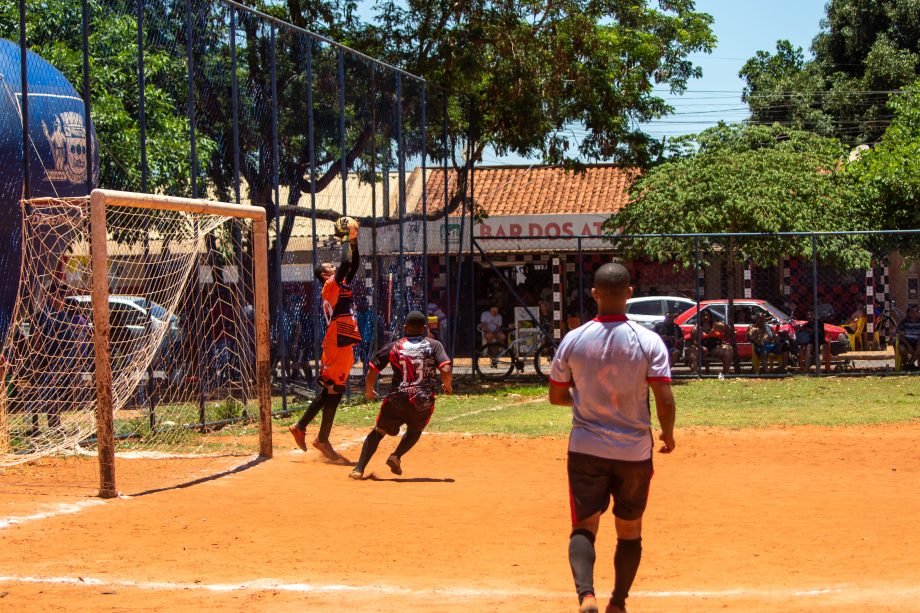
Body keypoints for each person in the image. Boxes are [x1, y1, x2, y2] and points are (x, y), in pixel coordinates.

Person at [548, 263, 676, 613]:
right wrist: (667, 432)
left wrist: (585, 398)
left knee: (584, 525)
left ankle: (586, 595)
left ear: (594, 294)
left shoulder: (574, 339)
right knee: (630, 528)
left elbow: (557, 396)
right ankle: (617, 602)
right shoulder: (649, 340)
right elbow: (664, 397)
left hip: (586, 448)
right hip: (634, 450)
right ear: (630, 294)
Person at [289, 218, 362, 461]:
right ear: (324, 274)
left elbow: (353, 264)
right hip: (338, 340)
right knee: (333, 389)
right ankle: (314, 434)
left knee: (334, 390)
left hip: (345, 338)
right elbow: (345, 264)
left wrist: (354, 241)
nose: (334, 267)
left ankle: (311, 432)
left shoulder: (339, 283)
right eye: (329, 266)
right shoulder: (330, 286)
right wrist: (344, 238)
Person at [349, 311, 452, 479]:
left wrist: (369, 391)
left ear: (405, 328)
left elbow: (371, 372)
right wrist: (447, 386)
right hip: (422, 401)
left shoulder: (394, 346)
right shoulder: (434, 345)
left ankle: (358, 469)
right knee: (415, 430)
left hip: (397, 400)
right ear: (425, 328)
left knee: (378, 432)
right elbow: (446, 370)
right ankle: (396, 456)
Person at [687, 310, 733, 374]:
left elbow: (729, 330)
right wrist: (701, 347)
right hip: (702, 349)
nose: (706, 317)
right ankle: (694, 372)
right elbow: (694, 341)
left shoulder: (716, 325)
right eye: (704, 316)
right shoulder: (696, 328)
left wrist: (724, 340)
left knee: (728, 349)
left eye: (707, 315)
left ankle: (725, 372)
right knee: (691, 350)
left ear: (710, 316)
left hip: (715, 348)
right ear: (700, 317)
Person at [896, 305, 920, 371]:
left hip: (917, 342)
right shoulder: (905, 322)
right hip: (906, 342)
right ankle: (909, 363)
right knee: (901, 348)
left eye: (916, 312)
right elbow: (900, 334)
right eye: (912, 311)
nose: (914, 314)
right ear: (909, 313)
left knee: (919, 348)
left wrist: (918, 343)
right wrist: (909, 346)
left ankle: (909, 365)